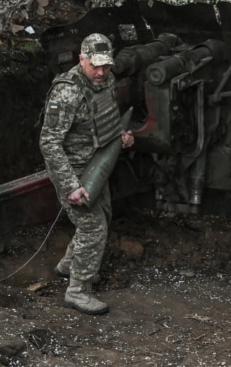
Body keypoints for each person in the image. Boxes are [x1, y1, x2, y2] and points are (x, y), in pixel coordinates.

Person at [39, 33, 134, 315]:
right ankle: (78, 291)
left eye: (107, 65)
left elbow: (106, 118)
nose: (102, 72)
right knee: (93, 228)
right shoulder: (67, 92)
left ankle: (69, 266)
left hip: (96, 165)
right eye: (96, 66)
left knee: (101, 216)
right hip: (73, 170)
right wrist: (70, 186)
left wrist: (122, 136)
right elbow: (49, 142)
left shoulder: (105, 80)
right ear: (82, 60)